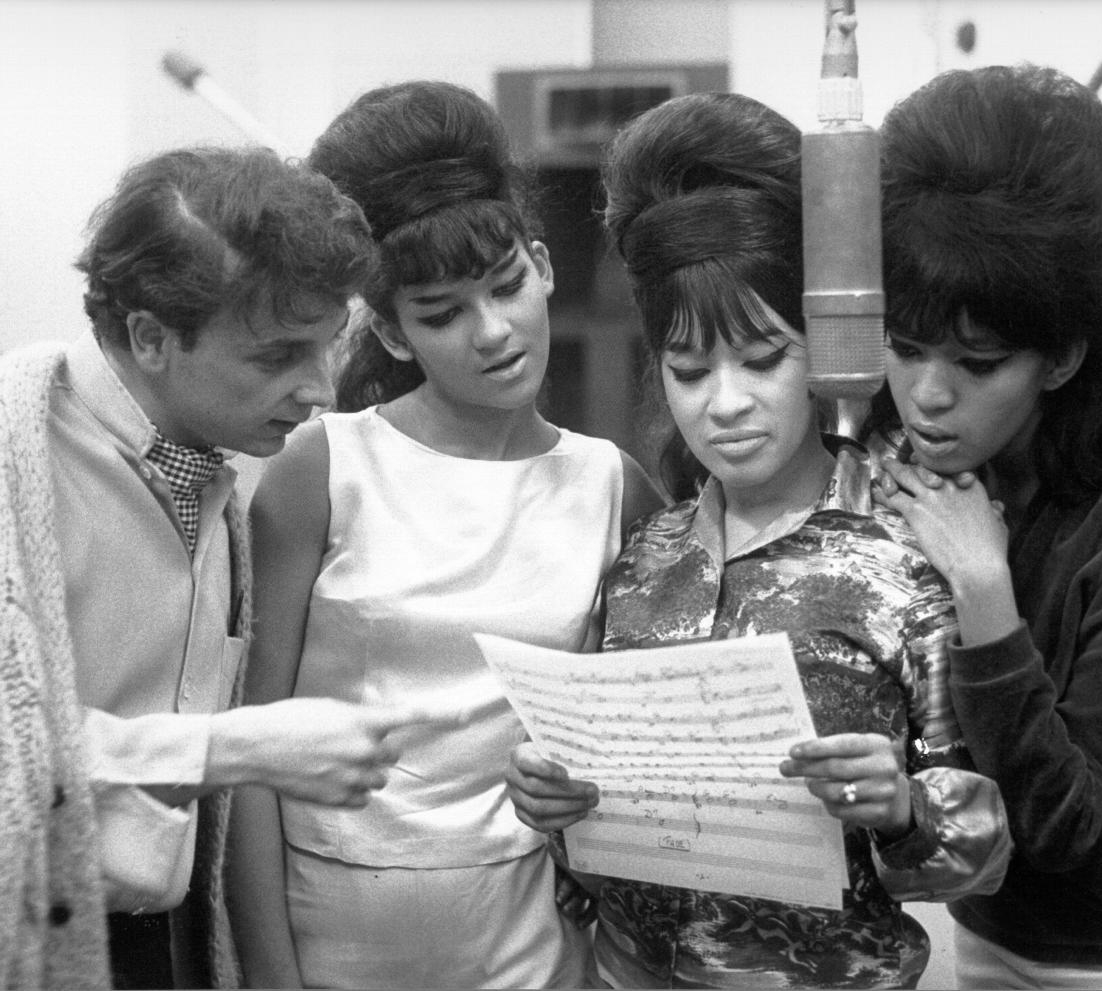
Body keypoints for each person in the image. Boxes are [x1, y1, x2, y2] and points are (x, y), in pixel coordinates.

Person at [504, 90, 1013, 990]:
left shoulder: (901, 557)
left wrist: (900, 807)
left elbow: (988, 852)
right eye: (690, 370)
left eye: (765, 358)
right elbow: (601, 845)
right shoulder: (642, 562)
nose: (725, 402)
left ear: (820, 348)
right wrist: (557, 807)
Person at [225, 80, 663, 990]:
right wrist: (269, 973)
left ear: (542, 263)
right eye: (442, 312)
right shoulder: (323, 467)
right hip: (333, 925)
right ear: (387, 328)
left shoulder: (609, 485)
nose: (494, 331)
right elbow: (251, 757)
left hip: (528, 931)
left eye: (507, 286)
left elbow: (636, 744)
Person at [0, 145, 453, 990]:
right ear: (150, 336)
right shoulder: (14, 449)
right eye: (277, 356)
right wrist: (229, 746)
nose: (320, 387)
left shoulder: (208, 462)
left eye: (329, 346)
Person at [870, 64, 1102, 989]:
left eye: (977, 361)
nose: (926, 393)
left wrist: (984, 593)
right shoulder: (945, 467)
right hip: (991, 936)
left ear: (1065, 355)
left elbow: (1069, 826)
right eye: (906, 347)